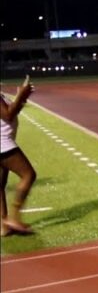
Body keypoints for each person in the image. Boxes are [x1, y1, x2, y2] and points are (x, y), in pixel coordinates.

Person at [1, 75, 37, 236]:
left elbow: (12, 113)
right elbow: (8, 115)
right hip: (3, 144)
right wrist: (21, 95)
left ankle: (4, 225)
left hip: (3, 142)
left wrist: (23, 97)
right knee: (28, 175)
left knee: (0, 185)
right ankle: (14, 218)